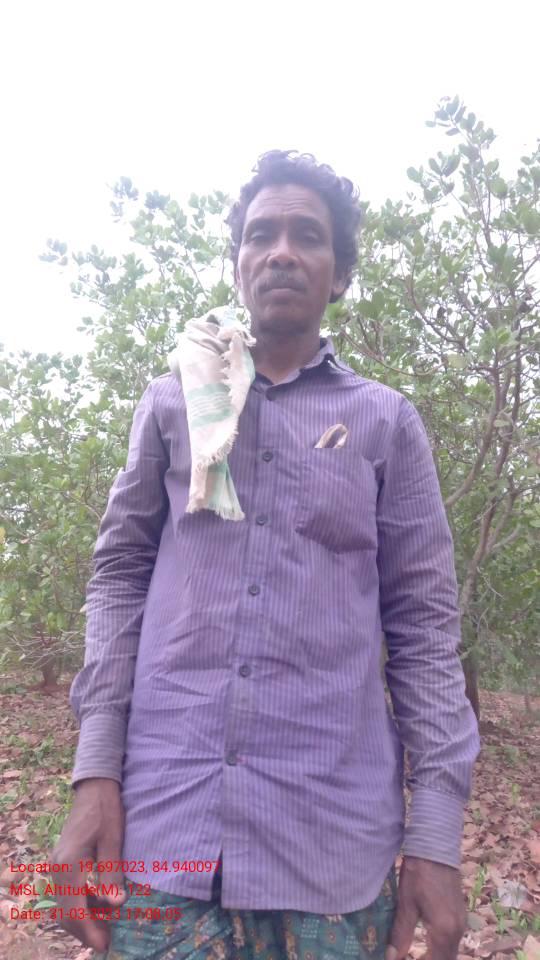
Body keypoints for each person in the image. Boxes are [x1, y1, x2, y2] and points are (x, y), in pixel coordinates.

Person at [52, 150, 480, 960]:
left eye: (307, 236)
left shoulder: (385, 422)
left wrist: (435, 836)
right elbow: (119, 577)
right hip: (165, 833)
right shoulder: (173, 403)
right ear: (239, 263)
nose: (281, 251)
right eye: (261, 235)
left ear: (339, 274)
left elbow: (425, 628)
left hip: (331, 850)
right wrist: (94, 773)